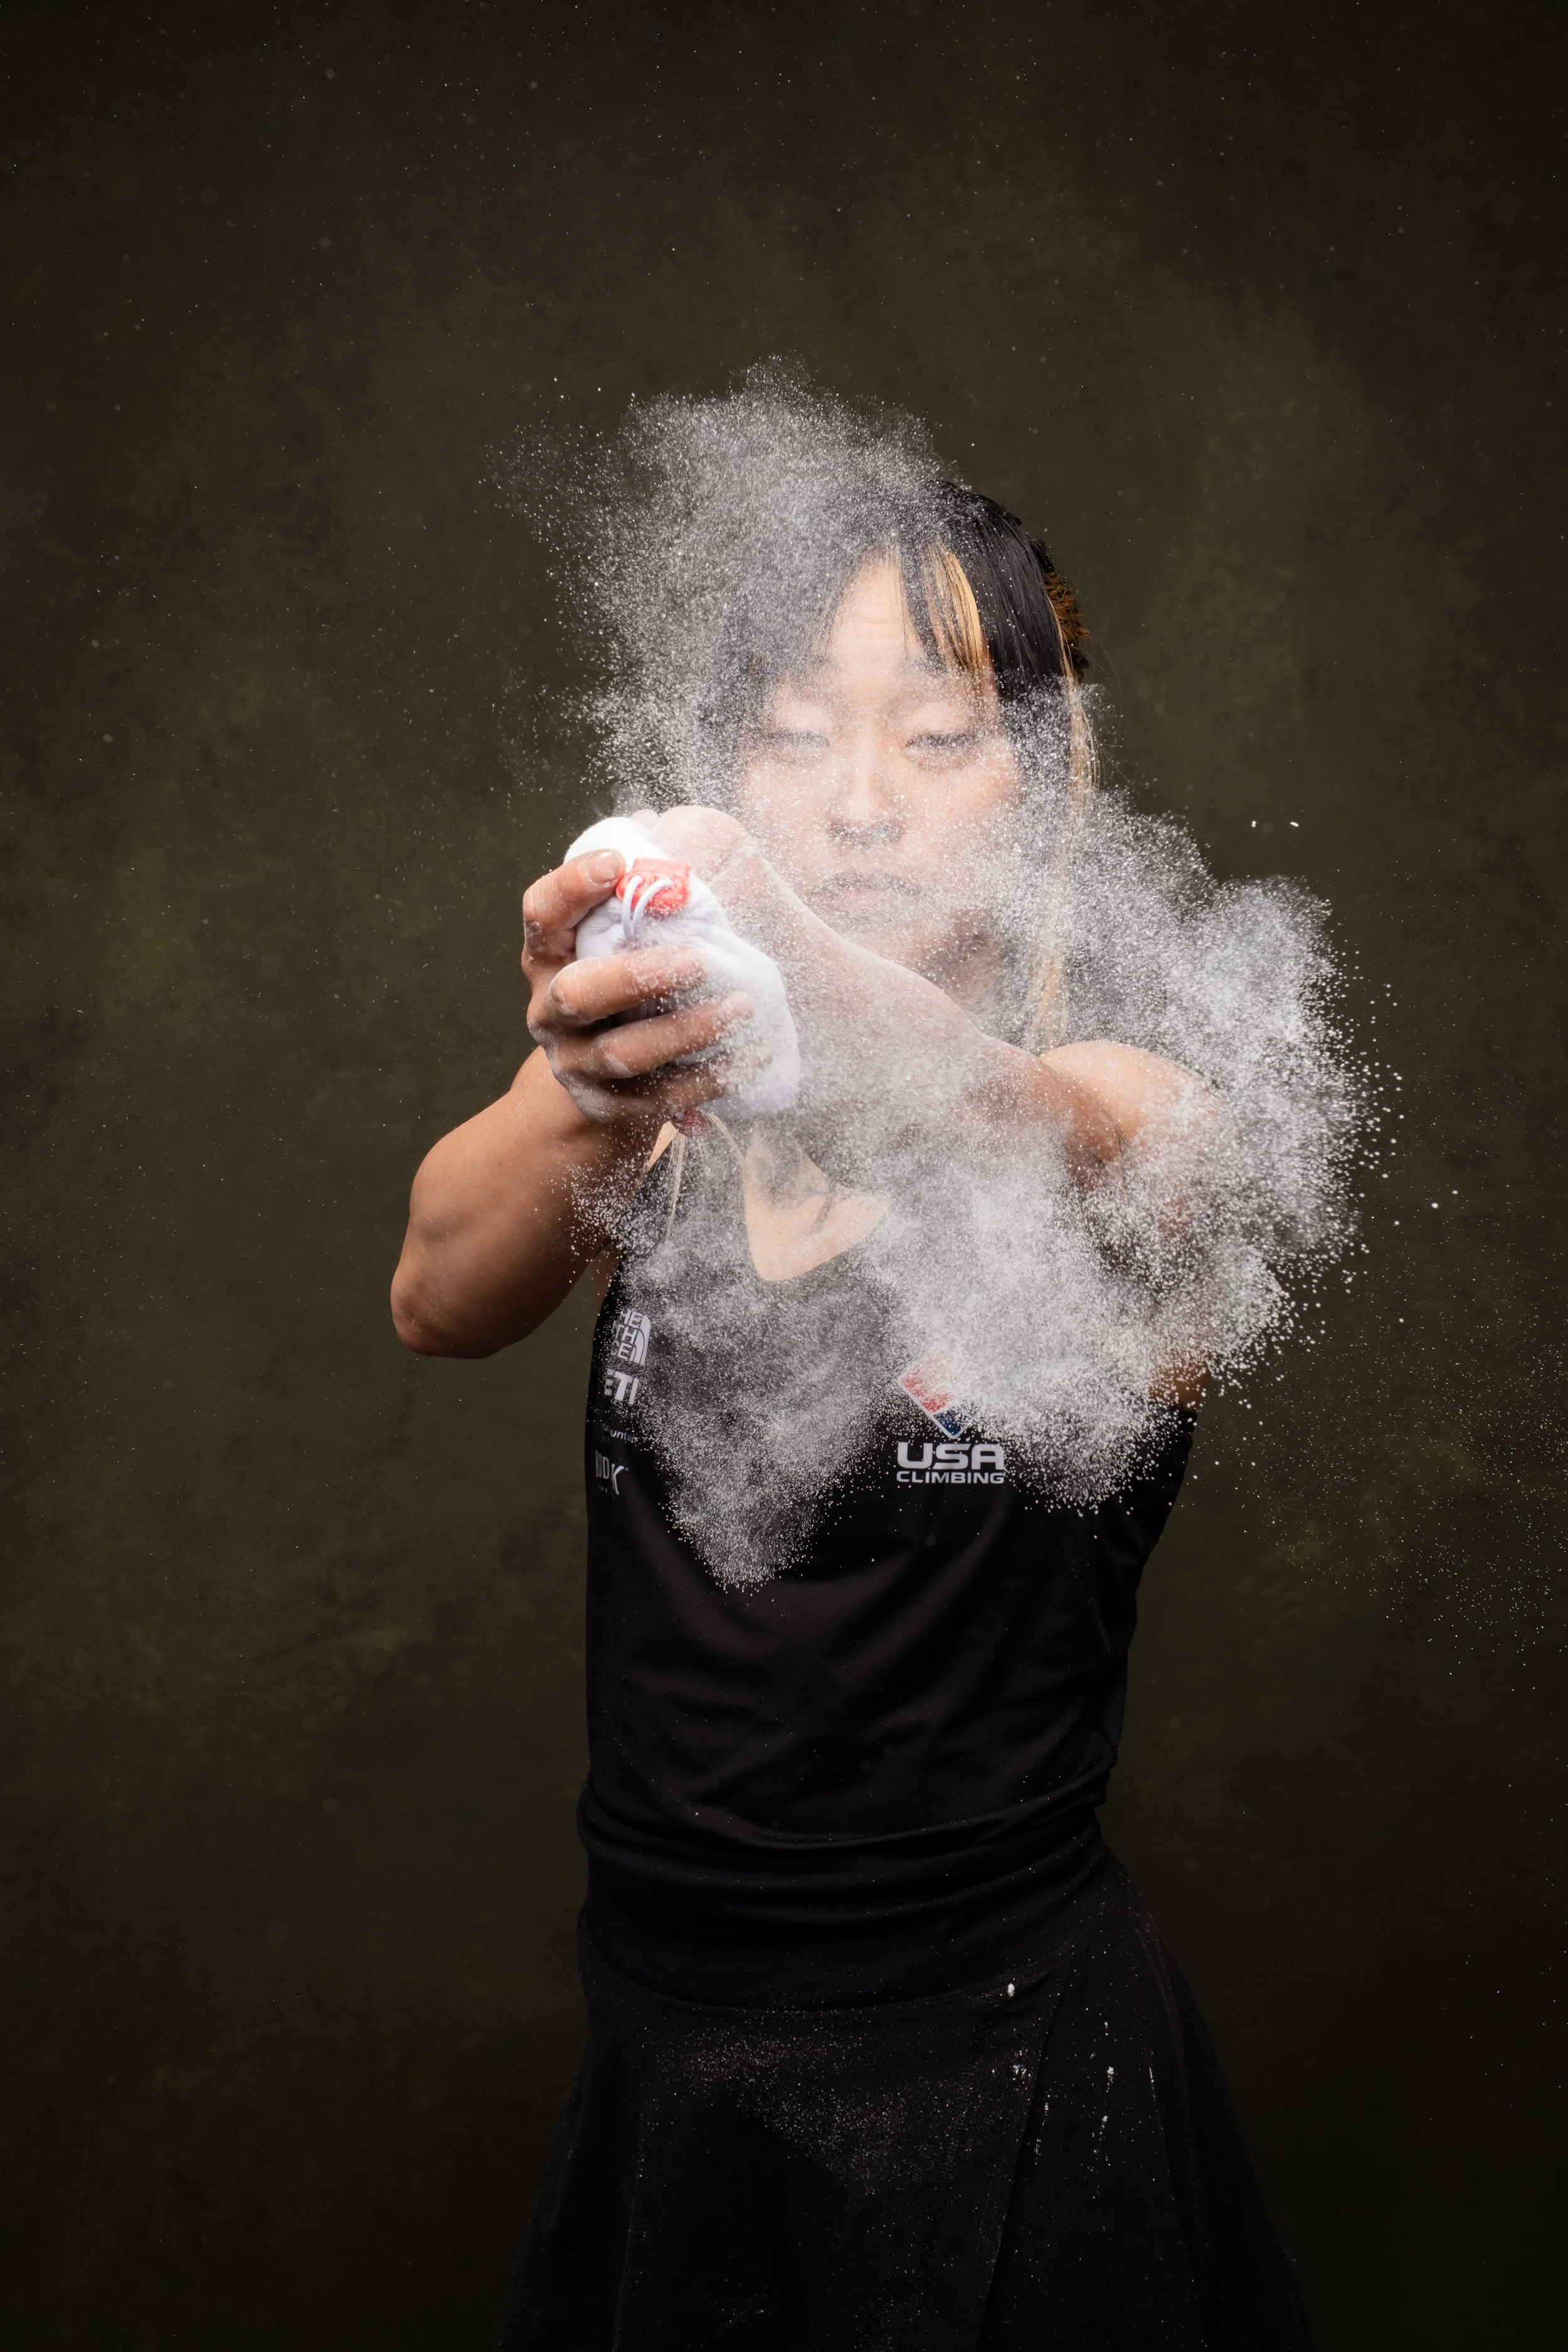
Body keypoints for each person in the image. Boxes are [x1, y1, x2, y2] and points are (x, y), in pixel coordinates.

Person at [391, 480, 1313, 2349]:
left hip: (1003, 2080)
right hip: (666, 2053)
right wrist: (590, 1070)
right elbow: (434, 1295)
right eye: (794, 734)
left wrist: (790, 982)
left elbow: (1010, 1119)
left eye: (938, 738)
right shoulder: (657, 1118)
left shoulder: (1128, 1117)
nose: (860, 798)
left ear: (1050, 781)